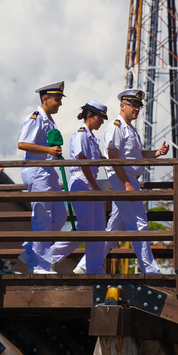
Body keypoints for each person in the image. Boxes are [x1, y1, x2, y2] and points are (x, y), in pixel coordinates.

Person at [101, 89, 169, 274]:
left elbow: (137, 156)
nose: (136, 109)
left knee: (115, 228)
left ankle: (87, 264)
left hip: (129, 179)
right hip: (122, 179)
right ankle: (150, 269)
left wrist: (157, 153)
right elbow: (113, 158)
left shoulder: (130, 129)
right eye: (133, 105)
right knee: (139, 223)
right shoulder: (116, 127)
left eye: (139, 106)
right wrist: (126, 184)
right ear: (122, 106)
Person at [51, 100, 109, 274]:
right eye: (100, 118)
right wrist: (95, 186)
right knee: (84, 228)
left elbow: (100, 160)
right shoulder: (81, 135)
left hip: (91, 182)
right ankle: (50, 257)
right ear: (90, 116)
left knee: (99, 229)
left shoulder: (91, 137)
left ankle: (93, 266)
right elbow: (82, 161)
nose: (102, 122)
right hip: (82, 182)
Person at [17, 81, 66, 274]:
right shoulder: (34, 118)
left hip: (48, 172)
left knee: (60, 215)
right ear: (45, 99)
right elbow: (22, 143)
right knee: (42, 218)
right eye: (57, 99)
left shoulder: (48, 119)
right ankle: (38, 266)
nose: (59, 104)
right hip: (37, 172)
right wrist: (48, 149)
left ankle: (31, 251)